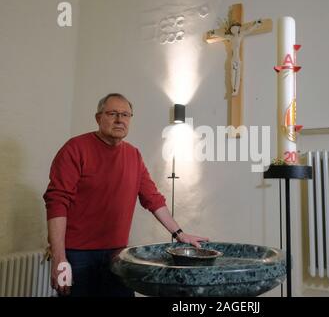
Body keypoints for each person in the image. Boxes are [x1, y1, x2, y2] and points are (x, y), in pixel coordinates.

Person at [43, 93, 208, 297]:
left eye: (125, 115)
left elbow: (153, 198)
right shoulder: (75, 149)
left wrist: (179, 233)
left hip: (117, 255)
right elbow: (57, 202)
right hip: (77, 256)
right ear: (98, 118)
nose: (120, 119)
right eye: (112, 113)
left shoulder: (134, 155)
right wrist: (60, 258)